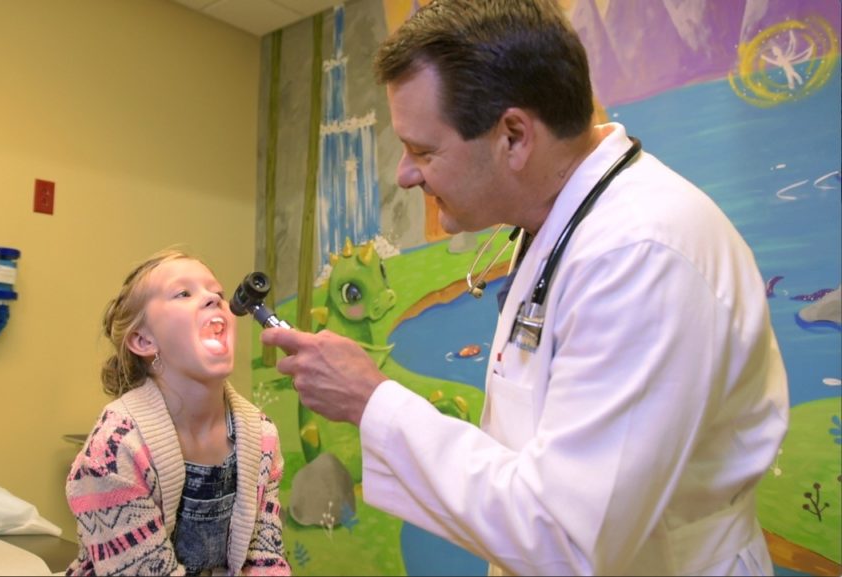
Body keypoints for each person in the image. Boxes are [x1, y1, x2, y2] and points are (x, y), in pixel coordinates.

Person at [260, 0, 789, 575]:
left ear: (513, 136)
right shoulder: (560, 228)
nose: (404, 175)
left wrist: (371, 401)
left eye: (422, 151)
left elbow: (563, 539)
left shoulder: (641, 255)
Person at [65, 248, 291, 576]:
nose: (214, 299)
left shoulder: (261, 435)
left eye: (218, 293)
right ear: (143, 341)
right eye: (183, 293)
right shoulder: (114, 450)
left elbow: (265, 559)